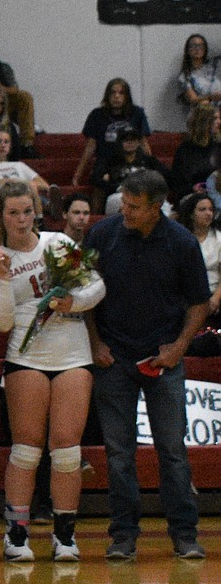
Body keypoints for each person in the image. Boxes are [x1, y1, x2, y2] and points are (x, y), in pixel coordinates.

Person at [85, 170, 210, 562]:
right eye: (124, 202)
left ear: (157, 206)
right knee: (118, 453)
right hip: (114, 359)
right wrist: (95, 343)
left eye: (134, 206)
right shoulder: (103, 235)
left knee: (172, 450)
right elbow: (81, 290)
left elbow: (199, 303)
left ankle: (185, 534)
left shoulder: (183, 243)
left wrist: (179, 348)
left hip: (163, 359)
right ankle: (123, 535)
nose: (125, 210)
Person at [0, 180, 104, 563]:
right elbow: (1, 323)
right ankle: (16, 534)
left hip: (72, 356)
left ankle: (64, 536)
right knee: (27, 449)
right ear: (0, 216)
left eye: (27, 211)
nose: (21, 219)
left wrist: (72, 302)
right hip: (26, 358)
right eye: (13, 212)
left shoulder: (58, 245)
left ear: (37, 210)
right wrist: (3, 278)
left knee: (67, 451)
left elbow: (96, 288)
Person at [72, 78, 152, 211]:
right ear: (107, 95)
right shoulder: (97, 115)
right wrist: (77, 174)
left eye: (121, 93)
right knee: (98, 181)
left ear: (127, 96)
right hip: (106, 160)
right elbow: (91, 146)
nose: (116, 96)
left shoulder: (137, 113)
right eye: (113, 93)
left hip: (131, 159)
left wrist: (150, 164)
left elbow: (144, 142)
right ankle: (96, 218)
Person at [94, 124, 170, 215]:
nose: (130, 143)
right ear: (120, 142)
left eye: (133, 140)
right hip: (119, 195)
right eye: (126, 140)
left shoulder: (149, 160)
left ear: (138, 142)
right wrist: (114, 186)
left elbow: (168, 176)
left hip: (146, 194)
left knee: (163, 207)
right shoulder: (110, 161)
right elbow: (95, 178)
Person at [177, 191, 221, 342]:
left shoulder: (219, 238)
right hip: (186, 295)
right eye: (202, 210)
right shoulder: (180, 238)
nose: (208, 213)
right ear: (191, 213)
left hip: (214, 293)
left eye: (210, 210)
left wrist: (215, 298)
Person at [169, 103, 221, 204]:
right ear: (203, 122)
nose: (219, 122)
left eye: (219, 118)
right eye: (215, 118)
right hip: (193, 197)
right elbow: (176, 183)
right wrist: (192, 188)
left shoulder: (218, 146)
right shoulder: (185, 149)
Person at [177, 34, 221, 108]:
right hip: (205, 112)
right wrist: (210, 97)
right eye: (194, 46)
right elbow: (193, 99)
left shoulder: (215, 63)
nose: (198, 49)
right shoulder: (185, 76)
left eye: (201, 46)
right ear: (188, 50)